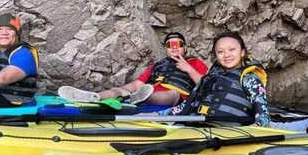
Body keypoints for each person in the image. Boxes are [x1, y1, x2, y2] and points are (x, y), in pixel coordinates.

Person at [58, 32, 209, 106]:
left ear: (185, 48)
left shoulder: (195, 63)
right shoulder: (158, 65)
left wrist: (188, 69)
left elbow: (207, 85)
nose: (174, 48)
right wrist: (122, 90)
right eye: (170, 45)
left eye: (178, 45)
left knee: (172, 94)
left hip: (176, 97)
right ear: (166, 49)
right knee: (122, 91)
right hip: (146, 90)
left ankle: (143, 98)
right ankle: (95, 97)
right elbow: (138, 84)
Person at [161, 31, 270, 125]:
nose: (226, 55)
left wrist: (255, 128)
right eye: (220, 52)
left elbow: (263, 117)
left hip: (229, 131)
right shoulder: (207, 79)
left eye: (231, 49)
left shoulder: (250, 80)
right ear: (216, 56)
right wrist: (158, 115)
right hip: (197, 127)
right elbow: (185, 106)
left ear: (242, 52)